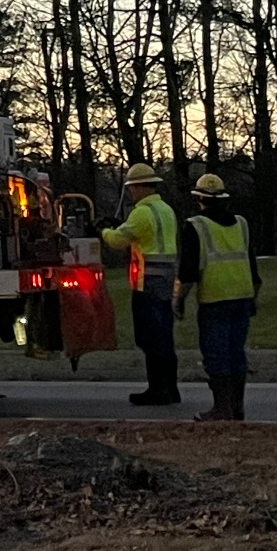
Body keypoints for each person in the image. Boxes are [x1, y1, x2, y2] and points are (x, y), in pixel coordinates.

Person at [177, 172, 260, 422]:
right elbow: (252, 265)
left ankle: (221, 408)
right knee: (236, 352)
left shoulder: (196, 226)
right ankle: (237, 407)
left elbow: (189, 272)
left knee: (216, 355)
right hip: (242, 296)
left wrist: (179, 299)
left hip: (215, 299)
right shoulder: (241, 224)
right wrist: (254, 297)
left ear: (198, 199)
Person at [101, 161, 180, 405]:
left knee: (149, 338)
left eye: (133, 188)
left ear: (141, 187)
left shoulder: (143, 212)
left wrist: (102, 231)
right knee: (165, 336)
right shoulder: (166, 210)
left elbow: (118, 241)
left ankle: (158, 390)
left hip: (147, 283)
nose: (132, 193)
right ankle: (170, 388)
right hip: (166, 281)